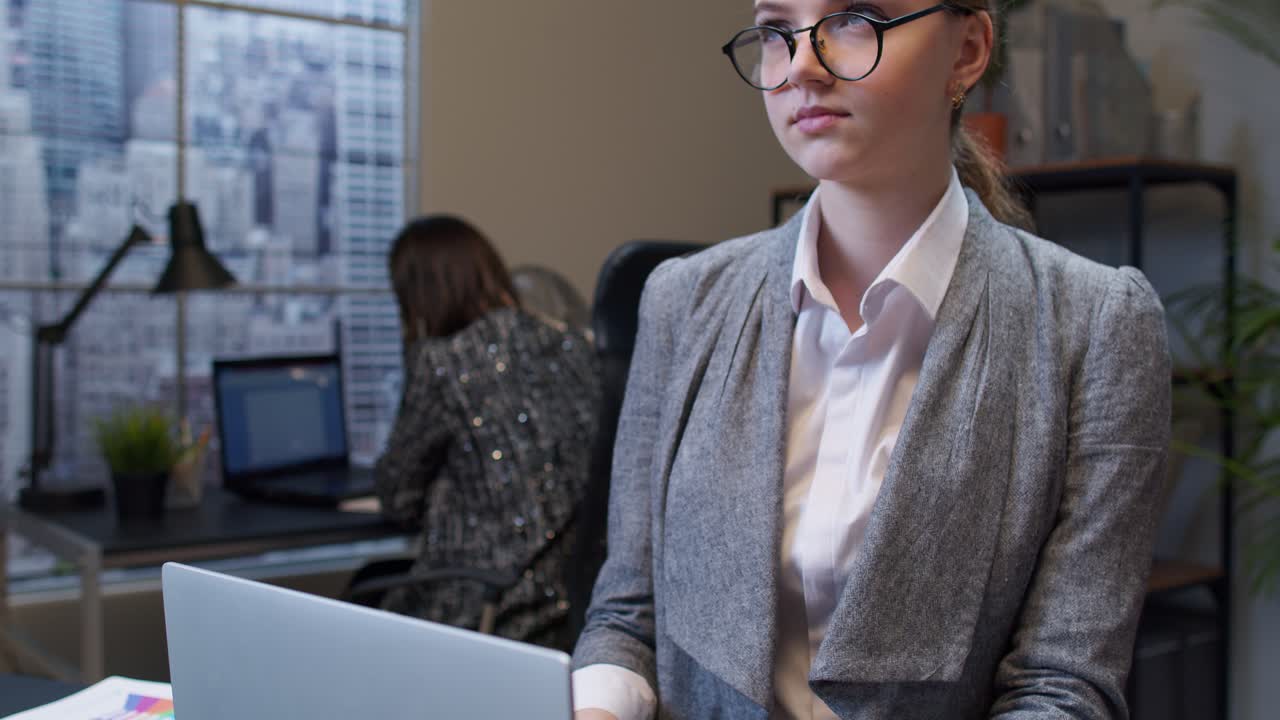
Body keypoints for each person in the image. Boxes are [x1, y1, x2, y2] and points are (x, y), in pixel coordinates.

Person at [572, 1, 1170, 718]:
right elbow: (627, 615)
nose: (802, 67)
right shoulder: (680, 302)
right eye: (776, 32)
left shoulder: (1096, 325)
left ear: (968, 50)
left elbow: (1063, 683)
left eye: (855, 18)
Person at [373, 214, 601, 653]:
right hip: (576, 605)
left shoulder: (443, 362)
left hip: (485, 605)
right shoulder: (573, 345)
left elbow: (397, 496)